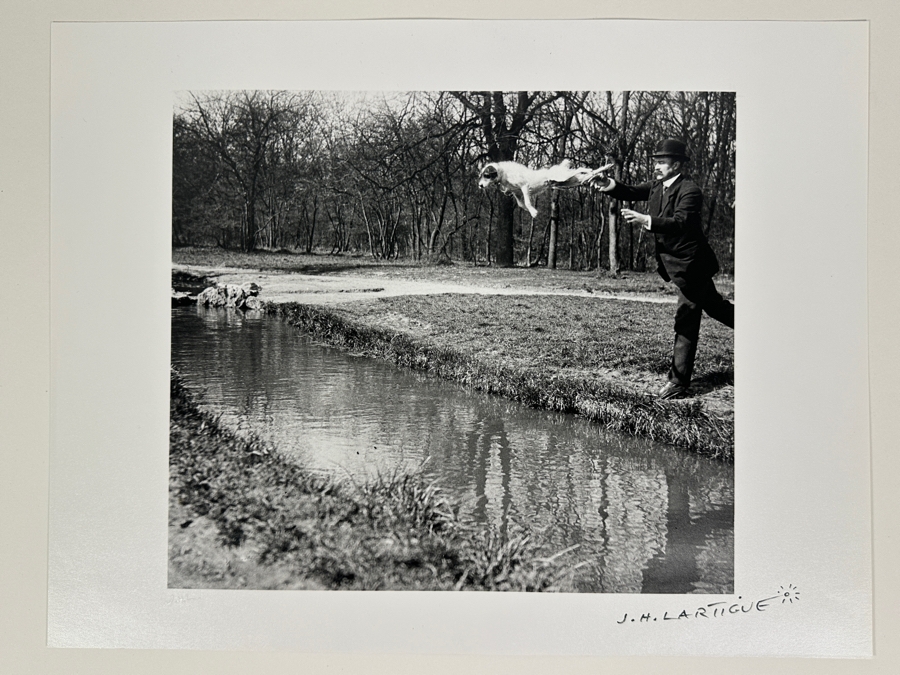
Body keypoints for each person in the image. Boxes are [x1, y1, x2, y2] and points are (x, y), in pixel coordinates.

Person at [592, 138, 734, 399]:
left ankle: (678, 383)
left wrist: (646, 220)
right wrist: (607, 184)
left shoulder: (690, 190)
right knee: (716, 308)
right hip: (677, 267)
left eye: (661, 162)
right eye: (655, 162)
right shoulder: (658, 186)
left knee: (687, 319)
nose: (656, 167)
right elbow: (631, 191)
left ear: (677, 164)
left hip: (692, 266)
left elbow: (681, 223)